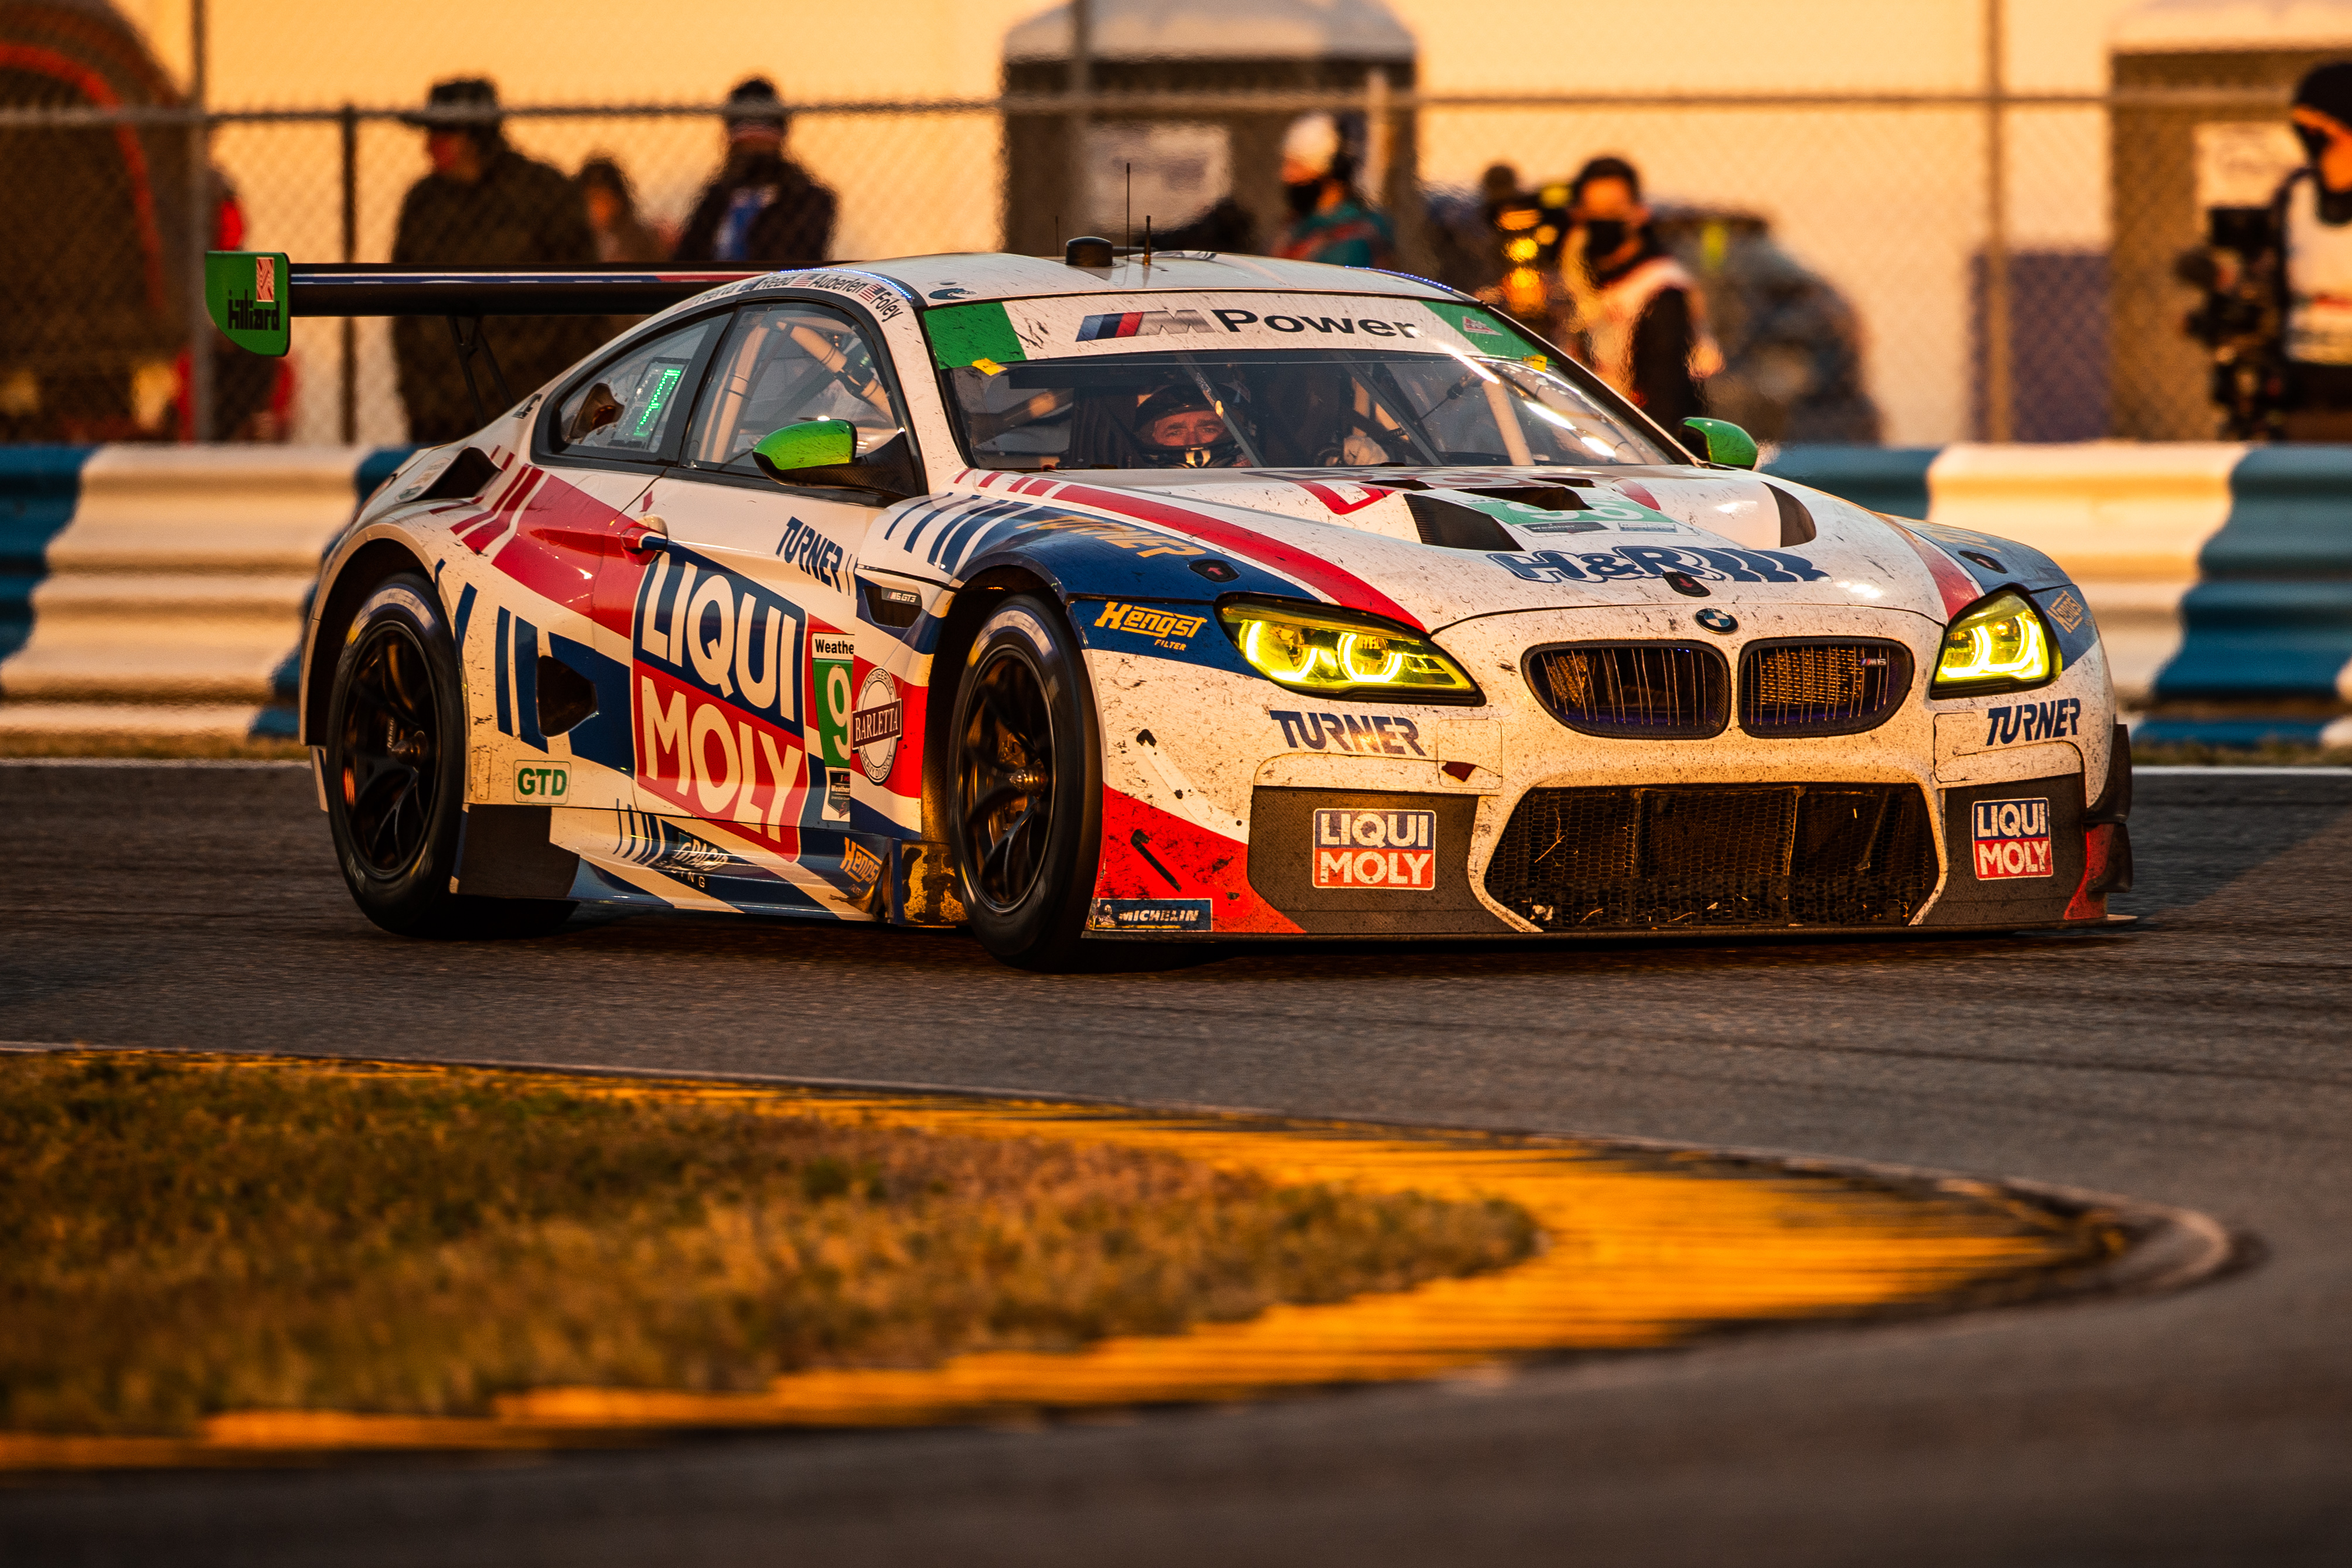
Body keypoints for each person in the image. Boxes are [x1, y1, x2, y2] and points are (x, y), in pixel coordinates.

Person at [390, 79, 602, 444]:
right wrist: (417, 398)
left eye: (442, 133)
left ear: (475, 135)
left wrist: (566, 395)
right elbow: (402, 305)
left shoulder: (541, 192)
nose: (429, 146)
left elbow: (586, 302)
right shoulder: (423, 203)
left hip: (527, 401)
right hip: (442, 412)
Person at [1563, 156, 1720, 435]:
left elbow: (1666, 396)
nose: (1603, 220)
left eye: (1614, 209)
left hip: (1638, 438)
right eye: (1593, 211)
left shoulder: (1661, 288)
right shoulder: (1575, 278)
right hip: (1587, 429)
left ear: (1640, 212)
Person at [672, 77, 836, 267]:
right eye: (741, 128)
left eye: (763, 127)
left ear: (781, 133)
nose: (752, 140)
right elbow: (687, 258)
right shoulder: (717, 197)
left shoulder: (809, 199)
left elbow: (791, 261)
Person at [2274, 63, 2352, 440]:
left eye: (2317, 125)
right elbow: (2276, 279)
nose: (2307, 136)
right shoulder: (2296, 195)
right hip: (2308, 387)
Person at [1274, 113, 1395, 270]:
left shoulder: (1357, 234)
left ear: (1330, 170)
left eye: (1297, 166)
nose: (1286, 176)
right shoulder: (1297, 224)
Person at [578, 157, 667, 264]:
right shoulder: (582, 241)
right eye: (589, 201)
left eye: (601, 200)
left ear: (618, 200)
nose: (594, 209)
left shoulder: (635, 241)